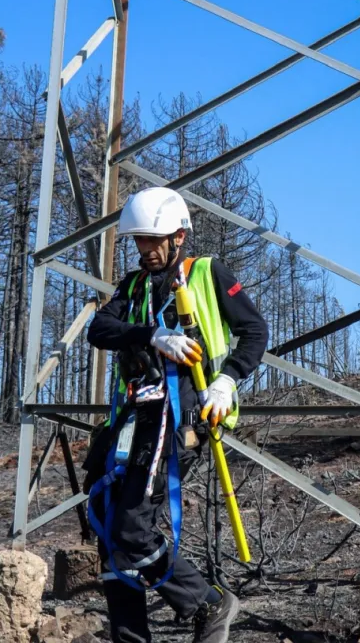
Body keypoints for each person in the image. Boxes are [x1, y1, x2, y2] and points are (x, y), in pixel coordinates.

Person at [84, 186, 269, 643]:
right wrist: (151, 335)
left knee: (132, 528)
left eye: (153, 239)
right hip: (133, 415)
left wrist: (227, 381)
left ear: (178, 236)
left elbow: (254, 331)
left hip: (181, 415)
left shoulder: (207, 273)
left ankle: (208, 602)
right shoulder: (132, 286)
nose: (145, 248)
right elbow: (100, 329)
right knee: (107, 519)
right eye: (139, 240)